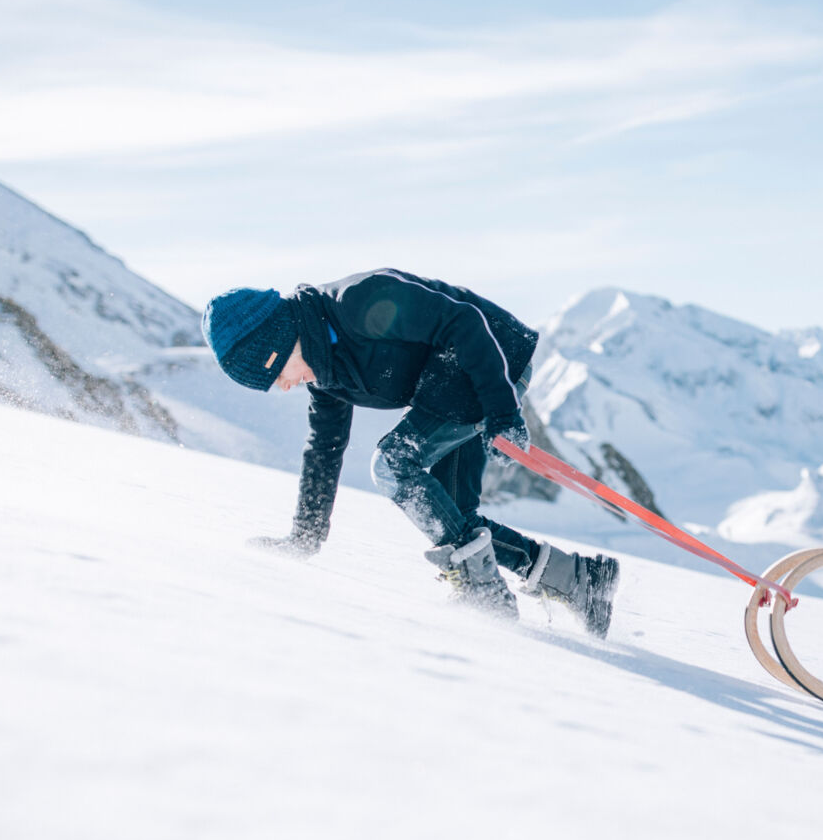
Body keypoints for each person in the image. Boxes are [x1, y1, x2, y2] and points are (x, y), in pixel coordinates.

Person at [200, 268, 619, 636]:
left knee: (393, 463)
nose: (283, 386)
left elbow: (464, 322)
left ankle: (481, 589)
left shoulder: (357, 301)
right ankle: (581, 581)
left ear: (279, 341)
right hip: (448, 382)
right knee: (453, 515)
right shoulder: (325, 376)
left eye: (275, 373)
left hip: (488, 355)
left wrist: (502, 411)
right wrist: (304, 537)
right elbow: (324, 448)